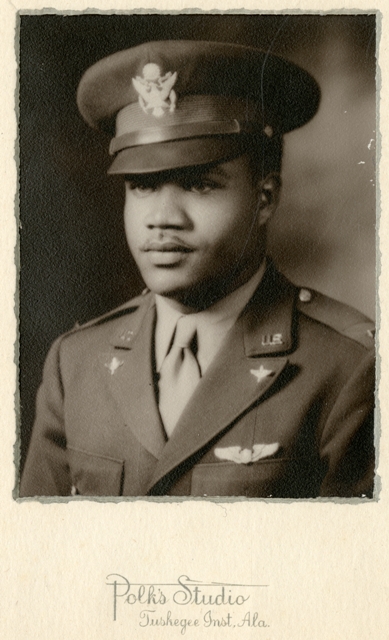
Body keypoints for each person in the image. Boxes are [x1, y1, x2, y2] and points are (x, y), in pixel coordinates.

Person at [20, 40, 375, 498]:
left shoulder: (348, 369)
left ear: (264, 198)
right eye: (142, 185)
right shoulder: (76, 364)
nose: (163, 217)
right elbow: (37, 560)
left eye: (200, 184)